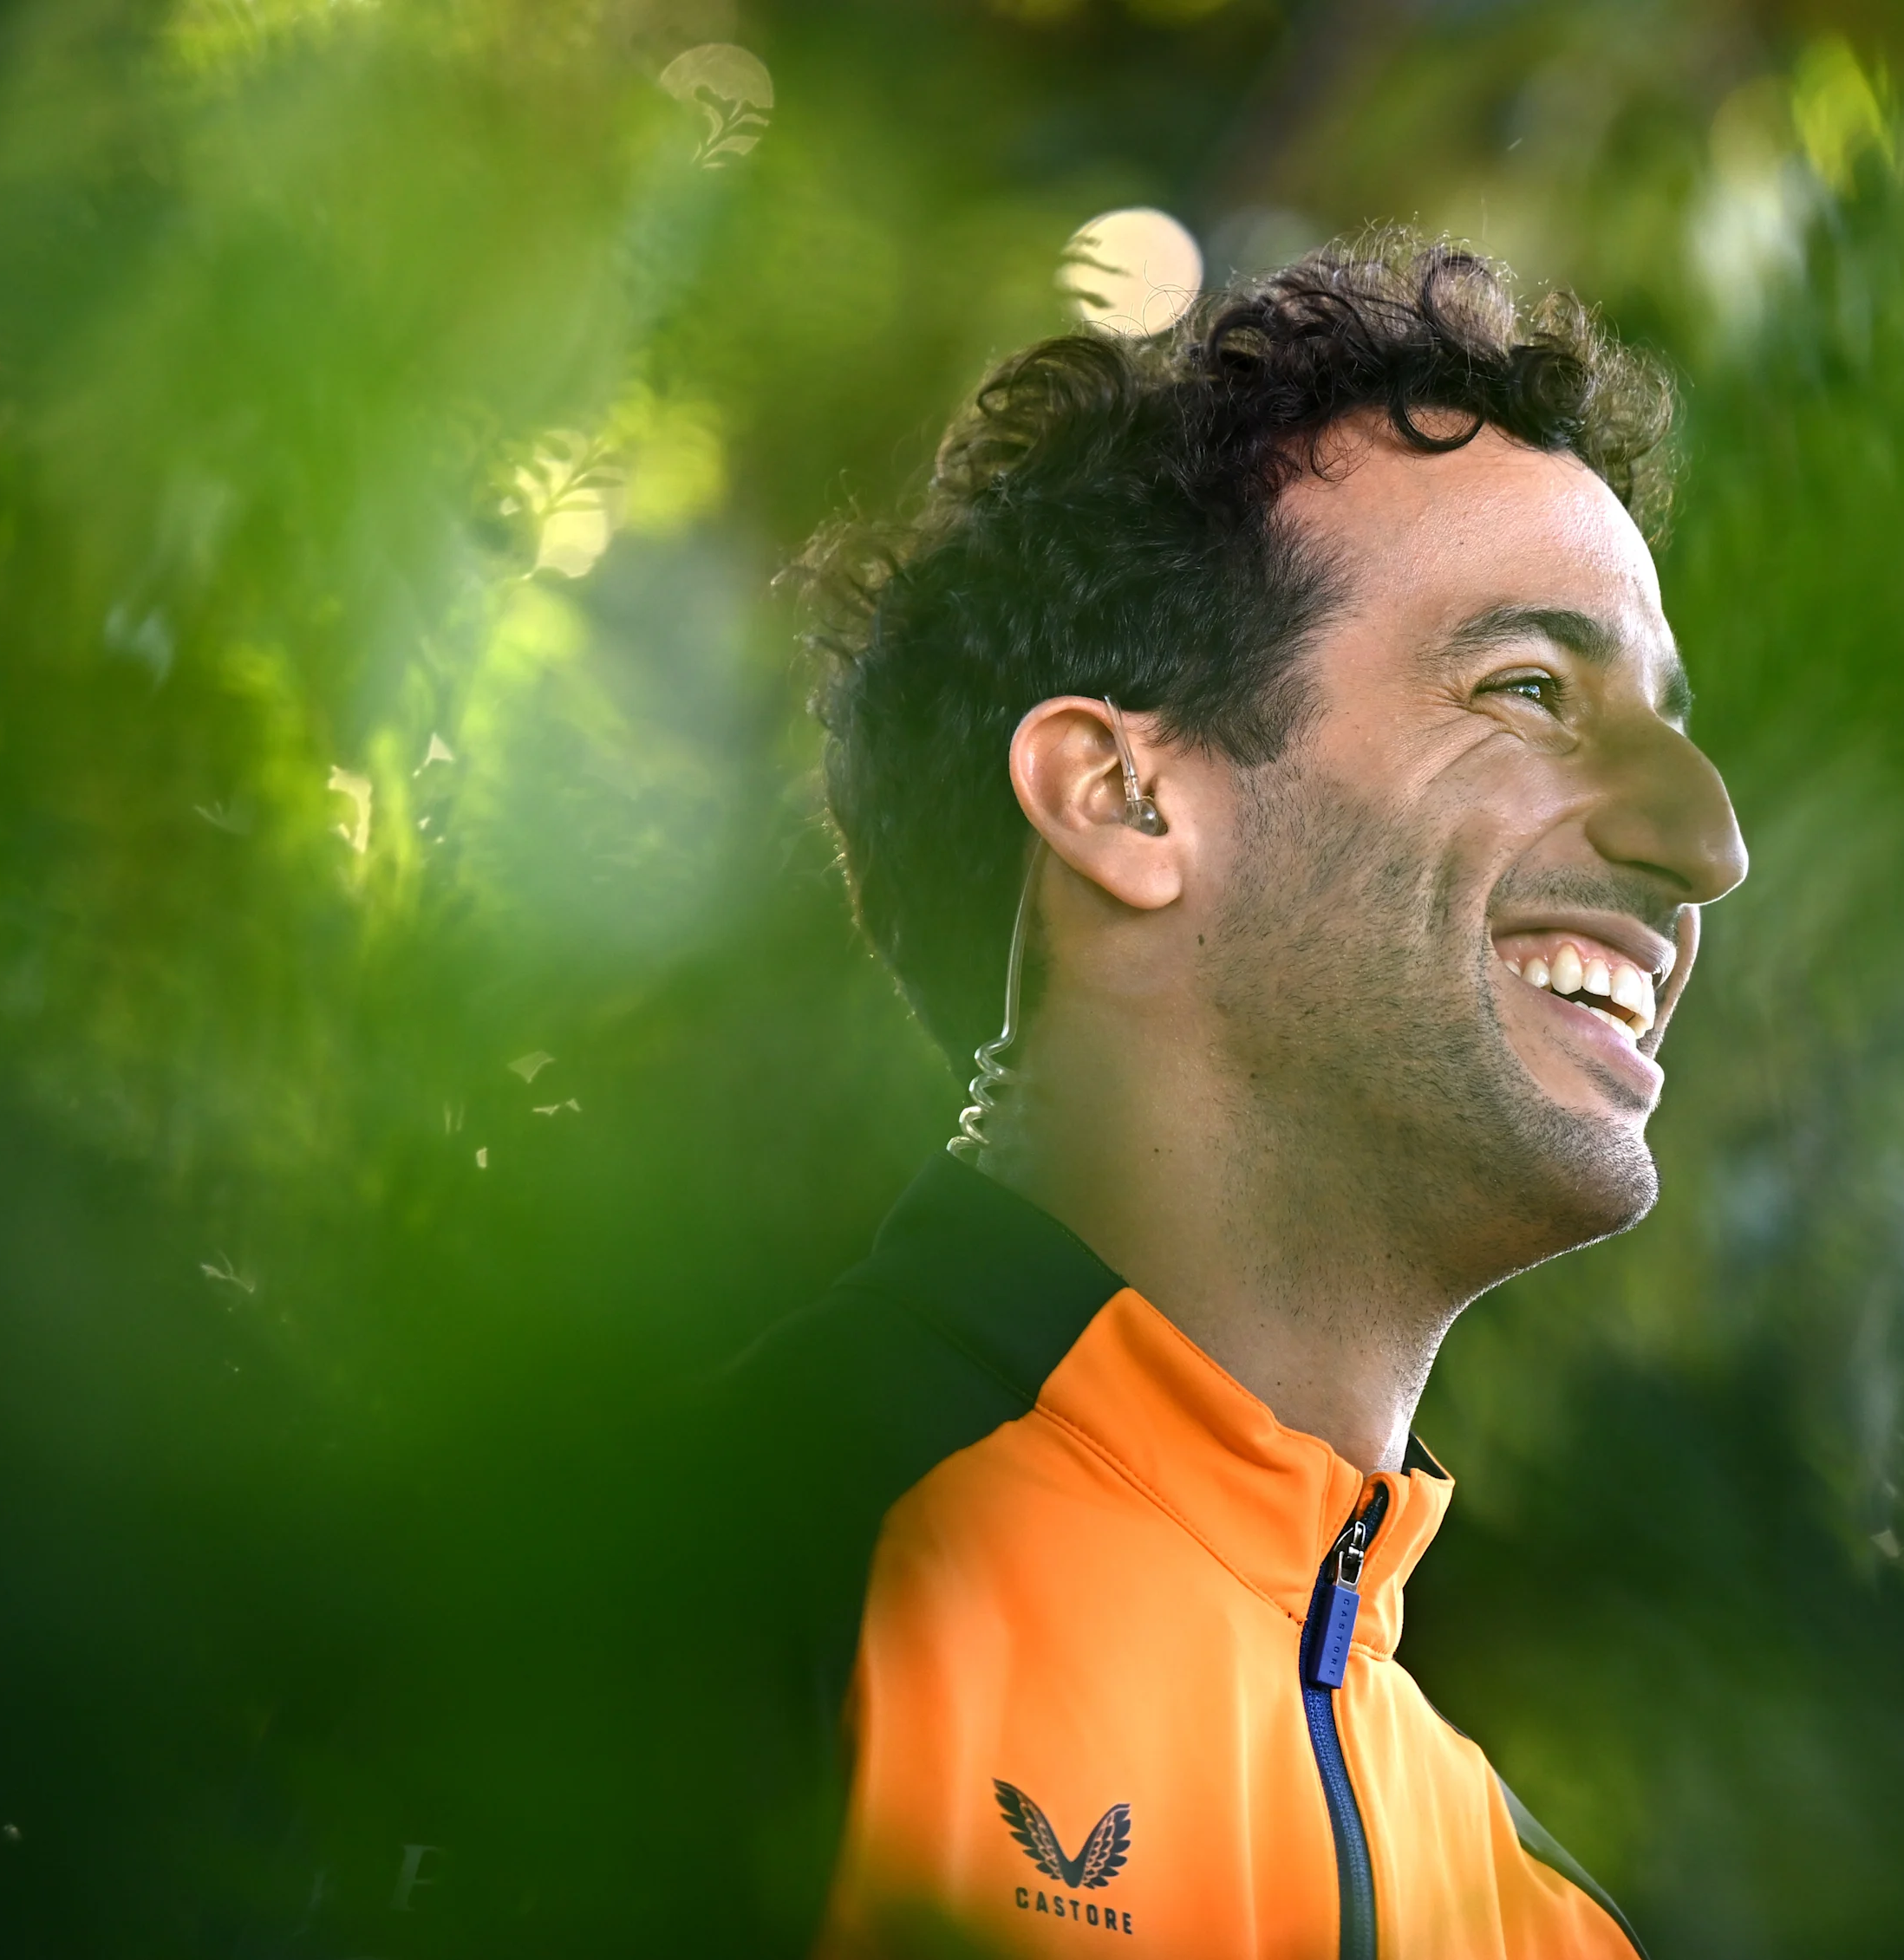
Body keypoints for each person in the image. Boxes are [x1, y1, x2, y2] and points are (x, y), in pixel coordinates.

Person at [741, 231, 1748, 1959]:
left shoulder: (1549, 1916)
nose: (1703, 844)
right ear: (1124, 801)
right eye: (1526, 688)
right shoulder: (721, 1591)